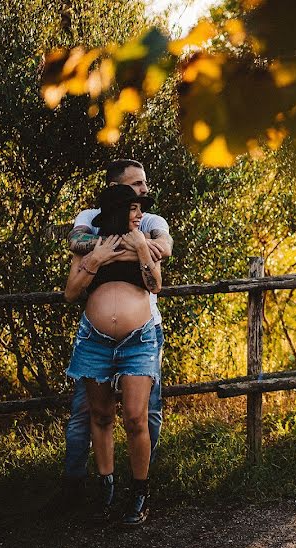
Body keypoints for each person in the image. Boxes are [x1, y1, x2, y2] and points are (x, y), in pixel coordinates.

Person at [60, 159, 172, 507]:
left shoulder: (149, 228)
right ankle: (101, 487)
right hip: (95, 341)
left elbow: (157, 278)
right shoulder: (90, 227)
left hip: (139, 336)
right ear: (116, 200)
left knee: (139, 416)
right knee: (98, 415)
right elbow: (70, 290)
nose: (141, 211)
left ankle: (140, 490)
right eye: (134, 203)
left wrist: (138, 247)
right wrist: (99, 256)